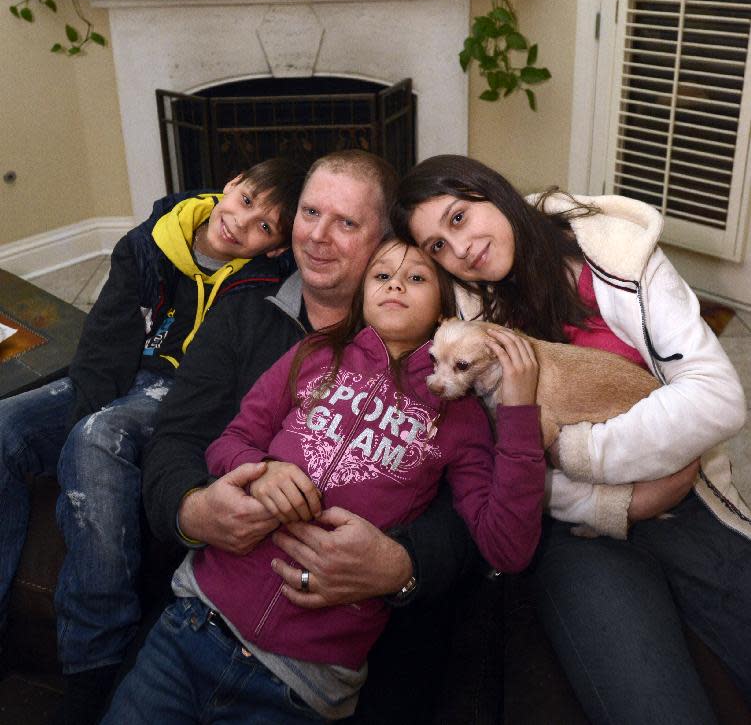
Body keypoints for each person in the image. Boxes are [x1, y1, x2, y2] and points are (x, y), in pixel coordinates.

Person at [103, 236, 546, 723]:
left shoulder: (460, 418)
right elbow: (230, 441)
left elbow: (507, 546)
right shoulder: (312, 354)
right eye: (381, 275)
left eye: (416, 278)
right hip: (192, 625)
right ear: (361, 292)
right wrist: (260, 471)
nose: (395, 283)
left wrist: (521, 412)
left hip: (303, 684)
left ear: (447, 311)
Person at [392, 155, 751, 723]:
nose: (457, 250)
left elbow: (719, 399)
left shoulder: (619, 257)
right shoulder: (461, 327)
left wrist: (573, 449)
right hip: (572, 530)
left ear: (494, 192)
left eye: (459, 218)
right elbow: (489, 474)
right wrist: (615, 504)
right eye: (436, 245)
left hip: (690, 501)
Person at [141, 150, 485, 724]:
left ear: (385, 240)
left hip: (328, 662)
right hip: (202, 615)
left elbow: (471, 514)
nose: (319, 237)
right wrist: (193, 510)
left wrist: (402, 566)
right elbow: (175, 438)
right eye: (308, 213)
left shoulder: (443, 368)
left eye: (347, 223)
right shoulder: (244, 315)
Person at [0, 157, 305, 725]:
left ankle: (94, 660)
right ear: (230, 185)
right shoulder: (147, 245)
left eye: (266, 226)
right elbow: (103, 346)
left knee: (101, 435)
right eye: (244, 202)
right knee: (10, 427)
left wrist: (93, 435)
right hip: (117, 376)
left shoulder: (259, 283)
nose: (243, 223)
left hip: (176, 392)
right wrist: (80, 429)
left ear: (274, 248)